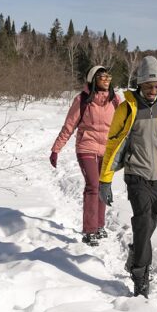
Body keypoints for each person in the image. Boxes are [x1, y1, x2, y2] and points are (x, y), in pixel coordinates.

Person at [98, 56, 157, 298]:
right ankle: (141, 276)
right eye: (149, 86)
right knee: (142, 221)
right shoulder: (126, 109)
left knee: (149, 223)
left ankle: (136, 250)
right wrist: (105, 179)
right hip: (136, 175)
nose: (153, 91)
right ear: (139, 84)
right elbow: (112, 145)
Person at [50, 66, 121, 246]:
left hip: (107, 150)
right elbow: (69, 126)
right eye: (102, 77)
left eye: (108, 76)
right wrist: (56, 149)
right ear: (93, 79)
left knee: (103, 185)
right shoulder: (82, 100)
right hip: (86, 147)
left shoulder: (115, 100)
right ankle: (89, 230)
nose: (106, 80)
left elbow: (125, 124)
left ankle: (99, 226)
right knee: (93, 185)